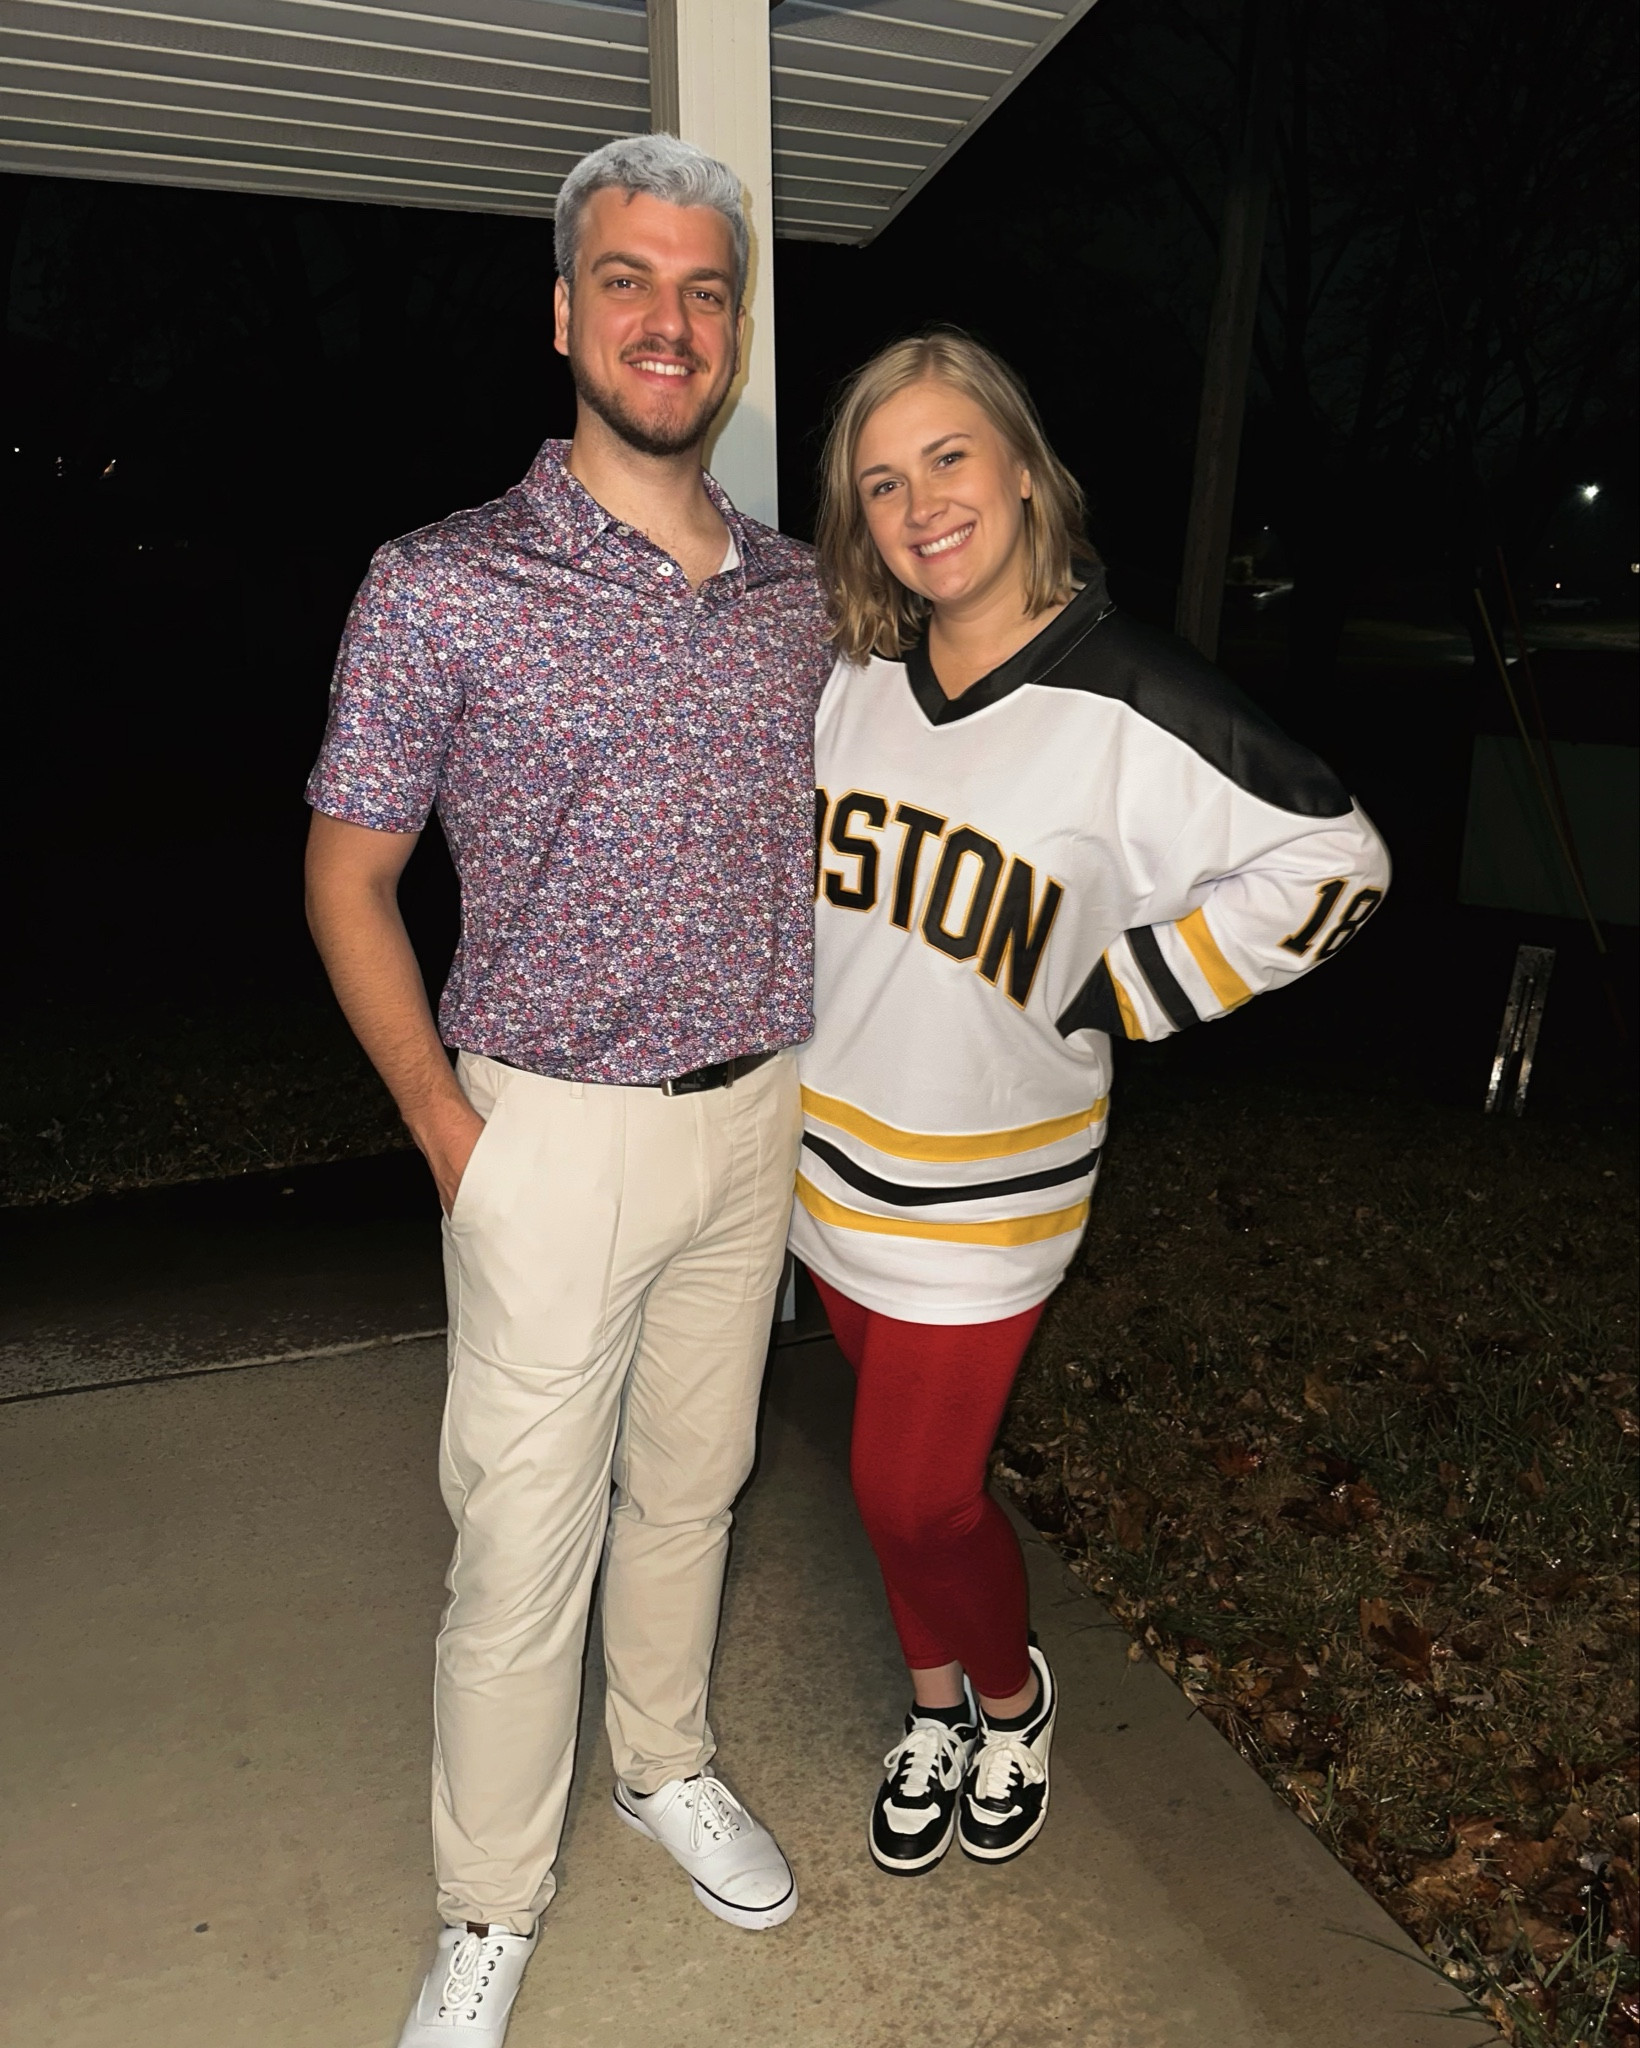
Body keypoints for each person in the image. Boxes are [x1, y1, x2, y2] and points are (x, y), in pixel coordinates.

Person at [304, 136, 833, 2046]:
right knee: (521, 1549)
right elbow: (346, 871)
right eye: (628, 280)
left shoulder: (797, 598)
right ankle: (489, 1902)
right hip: (545, 1129)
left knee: (693, 1492)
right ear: (562, 312)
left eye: (703, 289)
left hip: (755, 1116)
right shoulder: (441, 583)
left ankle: (662, 1762)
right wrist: (450, 1132)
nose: (667, 320)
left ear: (739, 333)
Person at [793, 331, 1390, 1879]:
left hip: (992, 1186)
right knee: (896, 1475)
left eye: (947, 458)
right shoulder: (849, 676)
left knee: (913, 1494)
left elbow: (1340, 860)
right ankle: (935, 1706)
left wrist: (1136, 987)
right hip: (828, 1166)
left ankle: (1012, 1694)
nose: (920, 502)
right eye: (880, 479)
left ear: (1018, 466)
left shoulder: (1134, 690)